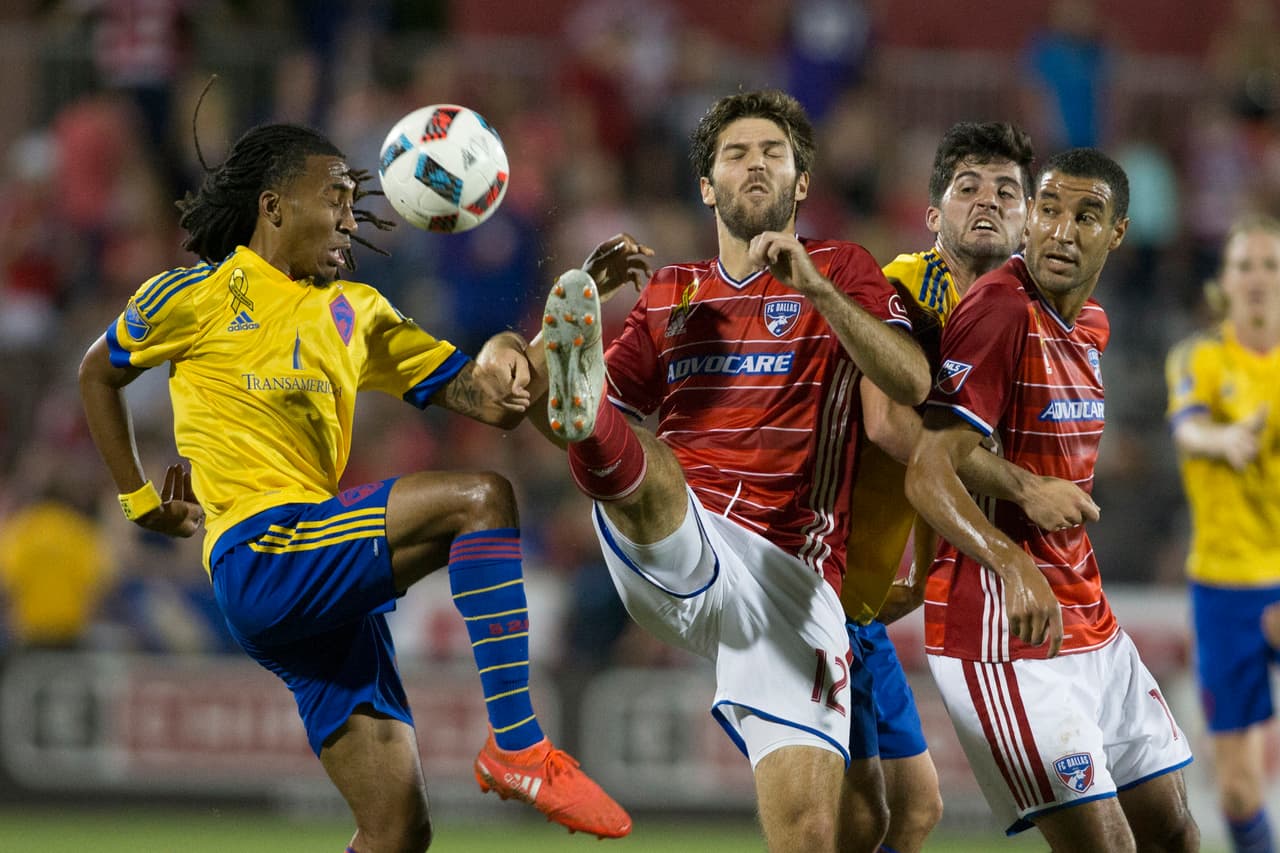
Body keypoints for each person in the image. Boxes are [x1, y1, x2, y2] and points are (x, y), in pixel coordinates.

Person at [76, 121, 632, 853]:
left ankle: (509, 758)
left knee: (397, 830)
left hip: (316, 575)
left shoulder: (358, 313)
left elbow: (494, 402)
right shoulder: (196, 295)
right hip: (262, 552)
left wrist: (543, 329)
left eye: (354, 200)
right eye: (335, 197)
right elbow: (98, 371)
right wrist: (139, 500)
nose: (350, 218)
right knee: (481, 502)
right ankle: (519, 747)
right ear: (273, 207)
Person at [528, 89, 931, 853]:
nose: (756, 164)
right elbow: (533, 412)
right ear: (707, 185)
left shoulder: (844, 266)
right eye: (736, 154)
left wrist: (816, 289)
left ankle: (592, 420)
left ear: (801, 182)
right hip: (683, 536)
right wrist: (566, 352)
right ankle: (591, 417)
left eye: (773, 153)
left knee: (824, 832)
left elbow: (909, 379)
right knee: (639, 461)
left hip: (790, 579)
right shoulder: (670, 292)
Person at [904, 148, 1199, 850]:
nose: (1063, 231)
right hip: (1002, 632)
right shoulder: (1001, 308)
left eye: (1086, 215)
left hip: (1089, 620)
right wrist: (1010, 558)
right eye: (1050, 209)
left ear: (1117, 233)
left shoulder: (1091, 324)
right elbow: (927, 468)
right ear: (1030, 217)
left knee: (1177, 833)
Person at [843, 120, 1097, 853]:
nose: (987, 201)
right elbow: (892, 427)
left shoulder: (1020, 311)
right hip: (821, 577)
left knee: (915, 809)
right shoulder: (904, 286)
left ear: (1031, 217)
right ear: (933, 214)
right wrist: (1022, 488)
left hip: (870, 598)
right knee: (848, 819)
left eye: (1008, 191)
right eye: (967, 188)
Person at [1166, 216, 1280, 853]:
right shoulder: (1200, 358)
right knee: (1237, 791)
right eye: (1246, 266)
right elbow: (1188, 428)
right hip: (1224, 590)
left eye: (1270, 265)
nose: (1259, 278)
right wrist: (1225, 438)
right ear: (1224, 284)